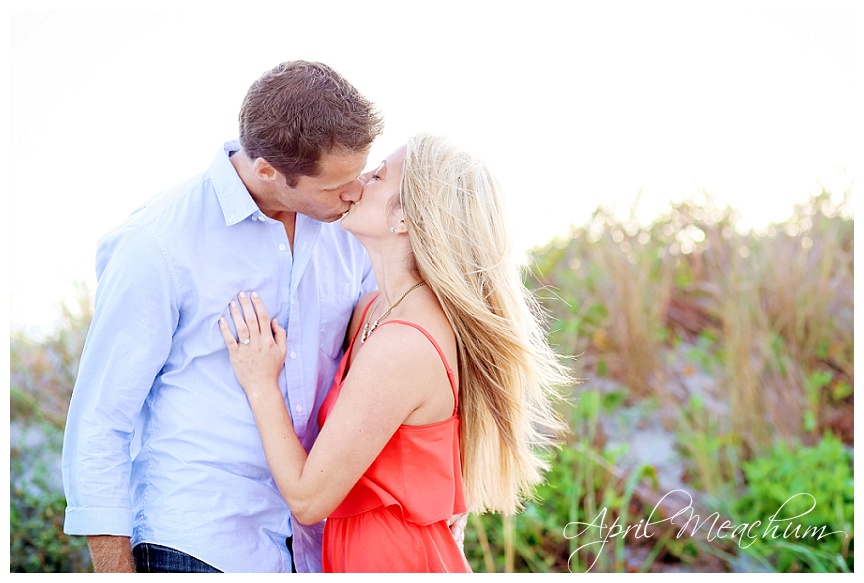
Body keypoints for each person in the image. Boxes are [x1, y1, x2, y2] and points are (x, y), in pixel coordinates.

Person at [61, 60, 384, 573]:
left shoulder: (354, 229)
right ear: (267, 172)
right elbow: (100, 423)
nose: (355, 193)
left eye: (360, 175)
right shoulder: (156, 244)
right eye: (335, 185)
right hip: (198, 543)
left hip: (317, 547)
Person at [220, 133, 570, 572]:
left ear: (405, 217)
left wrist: (259, 383)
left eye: (378, 174)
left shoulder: (404, 345)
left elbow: (308, 498)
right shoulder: (379, 311)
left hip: (394, 560)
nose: (359, 180)